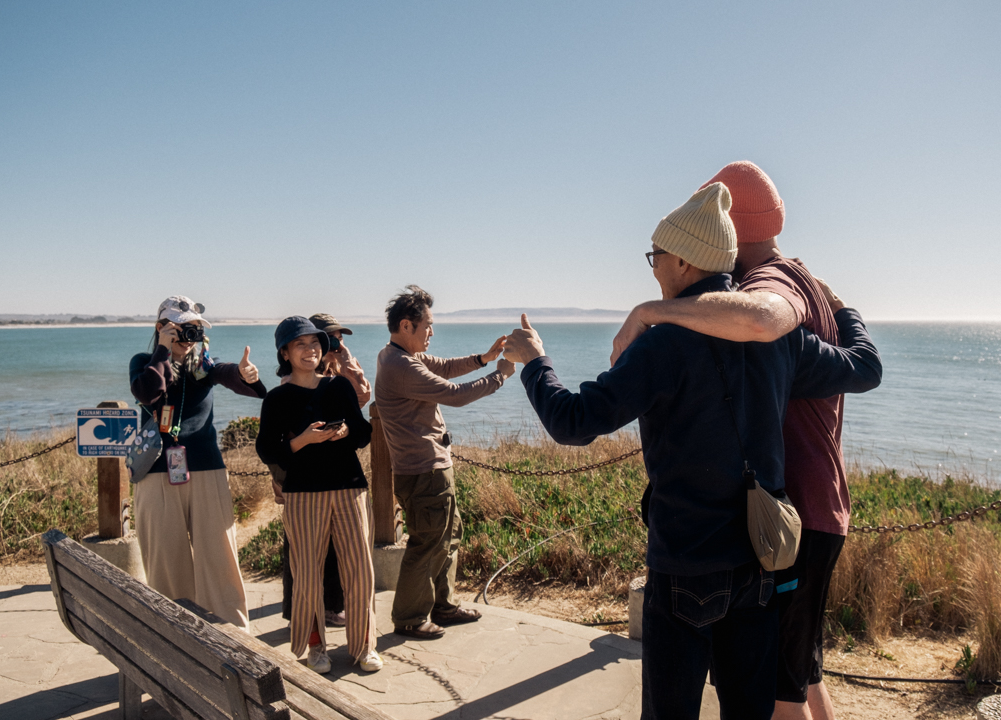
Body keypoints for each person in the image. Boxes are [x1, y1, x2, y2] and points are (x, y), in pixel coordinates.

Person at [503, 182, 882, 720]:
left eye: (655, 256)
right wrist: (844, 311)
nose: (652, 267)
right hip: (759, 562)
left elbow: (574, 422)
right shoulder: (781, 340)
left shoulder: (662, 342)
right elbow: (863, 369)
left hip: (685, 565)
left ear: (682, 260)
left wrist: (535, 361)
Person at [611, 161, 857, 720]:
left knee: (777, 691)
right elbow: (863, 366)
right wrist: (844, 309)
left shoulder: (768, 286)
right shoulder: (798, 280)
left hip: (781, 517)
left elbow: (766, 320)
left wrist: (651, 313)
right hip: (803, 509)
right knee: (798, 672)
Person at [374, 285, 515, 640]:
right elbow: (456, 395)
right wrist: (500, 375)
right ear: (406, 326)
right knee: (427, 543)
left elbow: (447, 368)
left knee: (447, 537)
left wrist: (483, 358)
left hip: (430, 468)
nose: (432, 332)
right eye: (428, 326)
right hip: (423, 471)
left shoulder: (401, 356)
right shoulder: (400, 365)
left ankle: (443, 605)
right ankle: (408, 617)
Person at [129, 295, 265, 631]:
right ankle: (175, 637)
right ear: (161, 328)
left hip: (206, 469)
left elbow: (230, 375)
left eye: (194, 330)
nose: (188, 338)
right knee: (166, 563)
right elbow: (149, 393)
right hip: (158, 473)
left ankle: (234, 637)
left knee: (220, 559)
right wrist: (162, 350)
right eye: (179, 329)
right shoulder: (144, 362)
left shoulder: (205, 367)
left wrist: (245, 374)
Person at [256, 316, 380, 674]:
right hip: (303, 495)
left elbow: (362, 432)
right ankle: (315, 647)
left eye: (315, 344)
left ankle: (365, 647)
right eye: (301, 345)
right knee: (307, 574)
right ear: (285, 352)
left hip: (349, 487)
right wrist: (302, 440)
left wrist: (344, 432)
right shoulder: (278, 398)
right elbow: (268, 450)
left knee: (360, 571)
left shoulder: (339, 387)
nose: (310, 350)